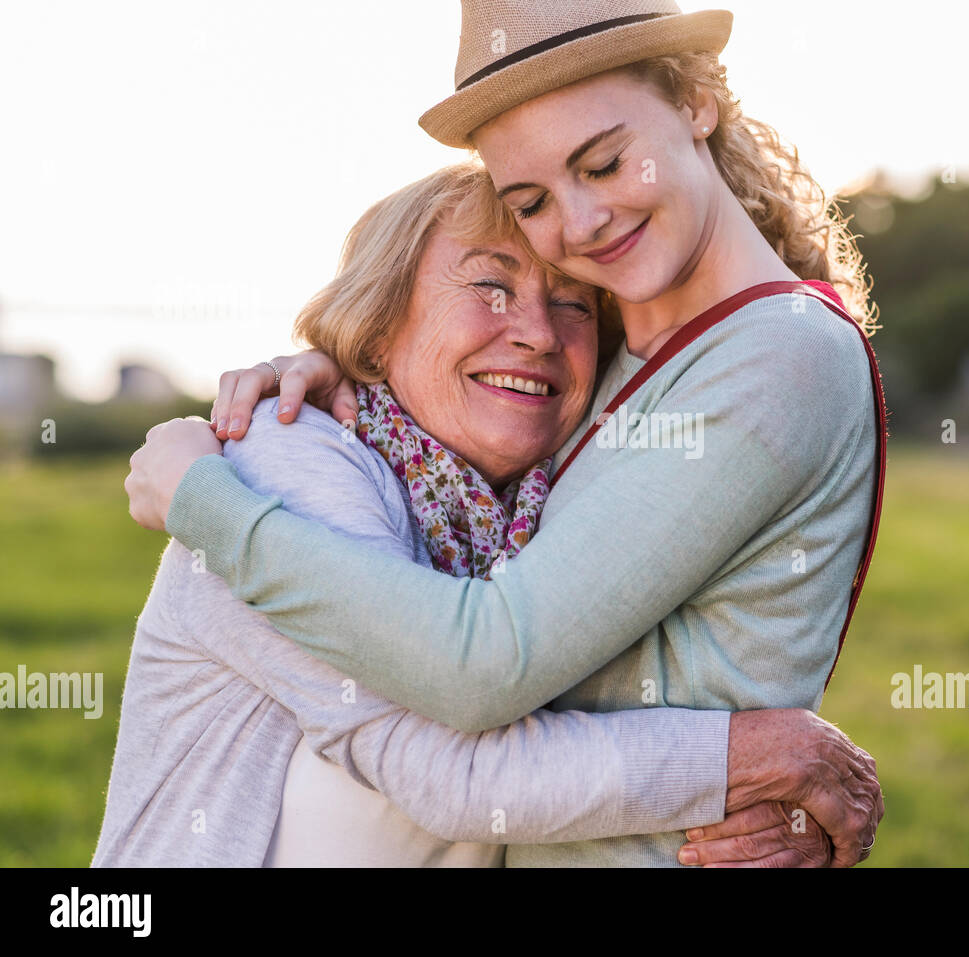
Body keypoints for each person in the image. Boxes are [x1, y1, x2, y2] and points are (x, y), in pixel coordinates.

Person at [124, 0, 887, 867]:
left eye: (603, 162)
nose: (583, 222)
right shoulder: (625, 361)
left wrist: (206, 503)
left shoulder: (774, 354)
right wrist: (341, 365)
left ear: (695, 101)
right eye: (532, 201)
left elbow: (486, 663)